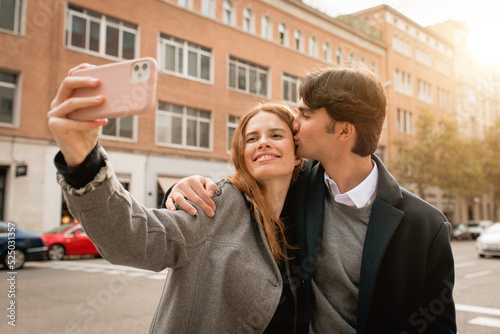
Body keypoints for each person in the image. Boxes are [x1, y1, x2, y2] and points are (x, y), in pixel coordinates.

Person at [164, 66, 457, 333]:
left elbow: (438, 327)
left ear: (344, 130)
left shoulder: (426, 227)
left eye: (305, 114)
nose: (295, 124)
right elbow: (240, 191)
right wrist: (182, 188)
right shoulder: (294, 184)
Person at [47, 63, 305, 333]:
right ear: (241, 153)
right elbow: (133, 238)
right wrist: (84, 164)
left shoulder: (313, 205)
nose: (263, 142)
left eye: (276, 135)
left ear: (297, 150)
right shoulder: (214, 203)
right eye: (252, 138)